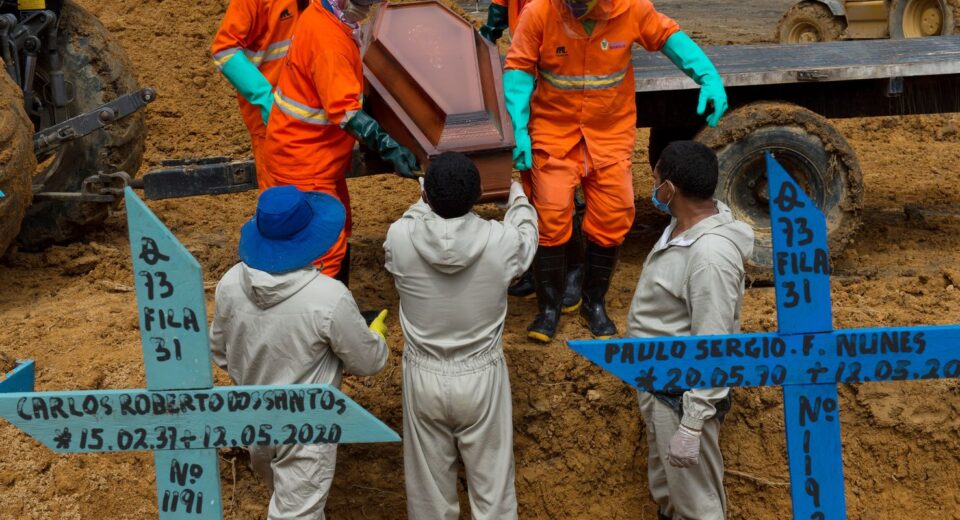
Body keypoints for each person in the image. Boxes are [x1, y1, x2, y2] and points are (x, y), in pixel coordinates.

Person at [504, 0, 728, 343]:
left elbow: (669, 36)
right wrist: (519, 127)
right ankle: (548, 308)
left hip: (609, 133)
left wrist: (708, 75)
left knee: (614, 216)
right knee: (550, 216)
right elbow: (518, 68)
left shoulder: (632, 10)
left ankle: (593, 303)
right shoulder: (539, 12)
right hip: (553, 132)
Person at [209, 185, 389, 520]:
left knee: (285, 498)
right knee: (296, 515)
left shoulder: (230, 283)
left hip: (254, 416)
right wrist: (374, 336)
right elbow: (367, 362)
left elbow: (220, 351)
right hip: (306, 426)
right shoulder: (328, 296)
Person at [383, 152, 538, 520]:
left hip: (423, 376)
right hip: (481, 375)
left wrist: (424, 198)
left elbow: (411, 221)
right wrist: (516, 197)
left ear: (426, 198)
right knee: (494, 494)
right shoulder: (501, 241)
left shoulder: (400, 237)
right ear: (478, 194)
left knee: (429, 500)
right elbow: (528, 235)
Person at [629, 141, 754, 520]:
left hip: (681, 398)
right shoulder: (683, 227)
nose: (653, 188)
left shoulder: (710, 256)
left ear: (671, 189)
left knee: (697, 507)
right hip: (660, 387)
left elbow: (715, 344)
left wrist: (692, 422)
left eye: (655, 181)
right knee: (670, 496)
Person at [262, 0, 419, 283]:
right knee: (324, 245)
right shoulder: (328, 42)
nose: (369, 7)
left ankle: (337, 306)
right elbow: (346, 113)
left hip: (315, 151)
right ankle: (325, 319)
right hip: (304, 160)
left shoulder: (325, 15)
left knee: (340, 223)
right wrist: (390, 147)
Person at [211, 0, 307, 190]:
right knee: (283, 199)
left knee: (328, 200)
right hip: (274, 119)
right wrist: (266, 99)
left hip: (313, 113)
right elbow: (224, 50)